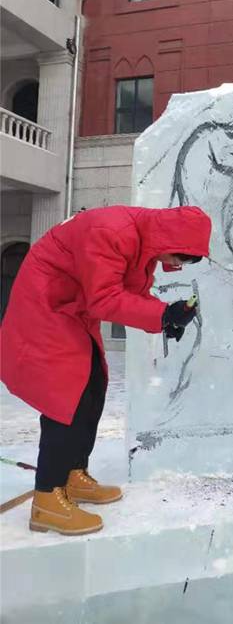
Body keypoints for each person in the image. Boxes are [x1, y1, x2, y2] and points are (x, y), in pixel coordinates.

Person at [0, 205, 211, 535]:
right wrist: (163, 314)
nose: (178, 265)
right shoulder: (112, 232)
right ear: (170, 238)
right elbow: (104, 298)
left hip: (74, 310)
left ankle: (73, 474)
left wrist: (165, 319)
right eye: (182, 257)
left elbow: (132, 296)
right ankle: (46, 498)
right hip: (47, 306)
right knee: (66, 395)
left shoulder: (143, 246)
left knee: (95, 386)